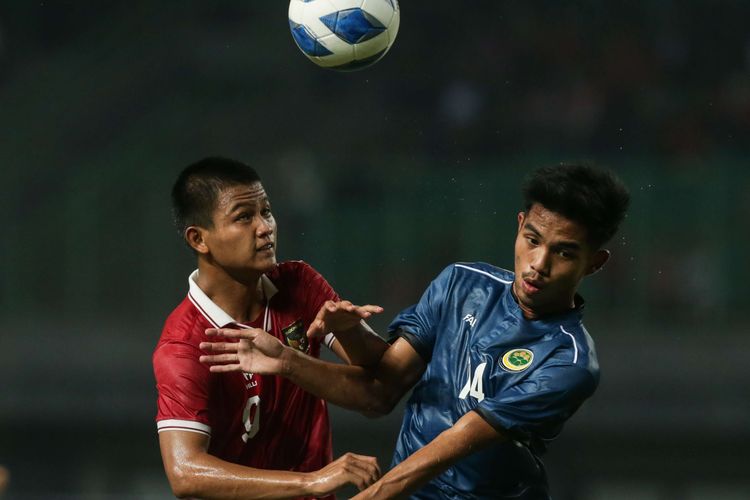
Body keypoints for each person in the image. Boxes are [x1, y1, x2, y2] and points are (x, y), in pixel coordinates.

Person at [200, 163, 630, 499]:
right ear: (519, 225)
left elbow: (456, 442)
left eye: (564, 253)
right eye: (533, 239)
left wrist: (372, 497)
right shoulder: (462, 284)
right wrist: (324, 346)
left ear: (594, 263)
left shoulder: (569, 362)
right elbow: (383, 388)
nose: (539, 263)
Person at [152, 157, 386, 499]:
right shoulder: (185, 345)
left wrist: (350, 332)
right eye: (244, 217)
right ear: (199, 239)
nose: (265, 227)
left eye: (266, 211)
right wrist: (311, 481)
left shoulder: (299, 284)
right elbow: (185, 472)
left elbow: (381, 390)